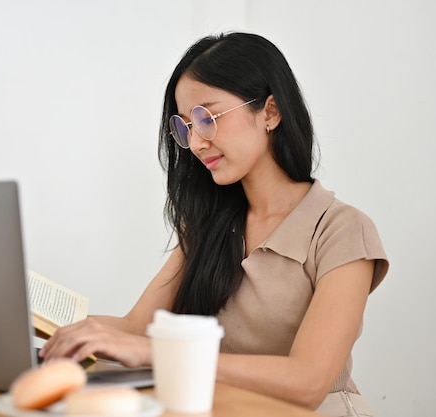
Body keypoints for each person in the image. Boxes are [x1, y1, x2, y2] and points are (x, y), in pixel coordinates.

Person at [39, 32, 389, 417]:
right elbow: (136, 327)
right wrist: (41, 325)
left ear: (270, 112)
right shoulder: (208, 225)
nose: (198, 142)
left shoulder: (342, 229)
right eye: (187, 126)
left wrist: (158, 353)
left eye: (207, 117)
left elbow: (307, 382)